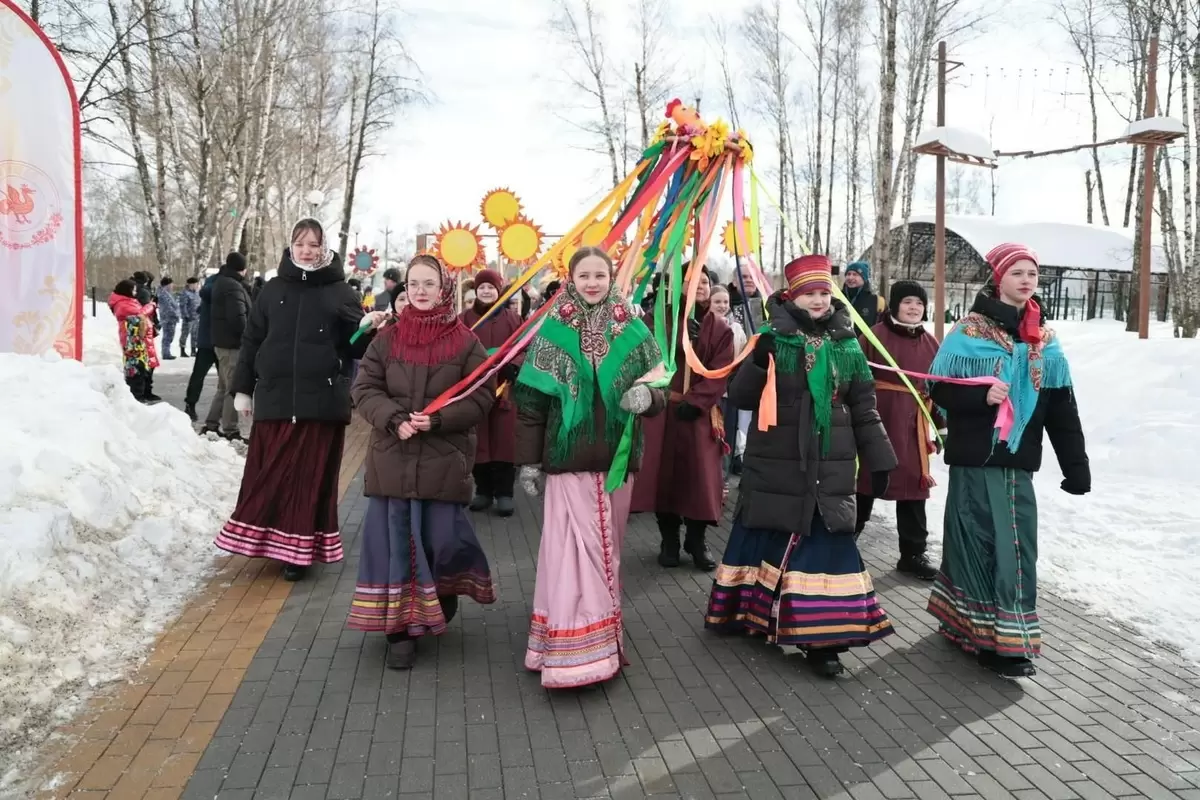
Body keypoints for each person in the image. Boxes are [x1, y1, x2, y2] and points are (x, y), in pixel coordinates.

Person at [705, 254, 898, 678]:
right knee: (769, 537)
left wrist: (881, 459)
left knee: (827, 545)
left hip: (830, 465)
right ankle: (752, 613)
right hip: (777, 463)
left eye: (823, 292)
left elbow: (865, 407)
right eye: (809, 293)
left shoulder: (847, 346)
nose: (817, 299)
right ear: (793, 295)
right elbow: (738, 396)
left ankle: (824, 640)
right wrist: (758, 361)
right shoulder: (771, 340)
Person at [927, 243, 1089, 679]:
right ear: (998, 277)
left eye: (1032, 274)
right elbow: (938, 391)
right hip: (975, 455)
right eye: (1016, 272)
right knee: (977, 540)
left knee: (1014, 545)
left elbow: (1060, 408)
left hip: (1017, 459)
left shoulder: (1045, 341)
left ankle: (1003, 635)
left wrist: (1077, 466)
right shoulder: (969, 331)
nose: (1025, 281)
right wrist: (980, 397)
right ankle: (978, 631)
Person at [515, 246, 666, 689]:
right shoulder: (553, 330)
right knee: (571, 554)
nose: (593, 282)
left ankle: (602, 637)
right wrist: (527, 461)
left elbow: (659, 384)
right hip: (568, 462)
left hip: (617, 463)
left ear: (612, 276)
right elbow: (530, 403)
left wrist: (649, 398)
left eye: (600, 274)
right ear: (571, 279)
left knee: (607, 553)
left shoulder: (633, 329)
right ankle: (576, 649)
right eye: (585, 275)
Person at [215, 219, 386, 581]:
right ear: (291, 246)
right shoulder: (274, 288)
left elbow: (353, 346)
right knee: (270, 473)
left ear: (325, 248)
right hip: (275, 398)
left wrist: (367, 327)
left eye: (314, 244)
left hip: (320, 402)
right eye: (300, 243)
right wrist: (242, 389)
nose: (306, 250)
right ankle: (268, 541)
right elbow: (251, 341)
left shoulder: (339, 291)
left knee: (307, 479)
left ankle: (299, 552)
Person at [349, 254, 497, 670]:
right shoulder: (387, 339)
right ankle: (399, 632)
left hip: (442, 460)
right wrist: (394, 420)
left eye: (428, 284)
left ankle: (440, 598)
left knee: (441, 541)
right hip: (392, 460)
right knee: (396, 547)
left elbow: (483, 394)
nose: (420, 291)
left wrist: (438, 419)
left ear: (444, 288)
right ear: (404, 289)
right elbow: (364, 389)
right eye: (413, 284)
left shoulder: (465, 340)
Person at [632, 264, 733, 571]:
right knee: (667, 478)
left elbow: (721, 371)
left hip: (699, 415)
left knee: (700, 480)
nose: (700, 285)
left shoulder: (720, 328)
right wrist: (673, 337)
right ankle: (670, 540)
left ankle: (697, 540)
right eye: (691, 280)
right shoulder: (657, 320)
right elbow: (640, 355)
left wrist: (698, 400)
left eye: (704, 281)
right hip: (663, 410)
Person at [855, 281, 944, 581]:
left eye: (919, 303)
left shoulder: (931, 343)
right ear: (894, 305)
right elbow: (853, 376)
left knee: (914, 490)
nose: (914, 308)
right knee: (864, 483)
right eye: (907, 302)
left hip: (913, 429)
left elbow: (938, 388)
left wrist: (939, 425)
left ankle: (912, 553)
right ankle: (843, 545)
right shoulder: (872, 337)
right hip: (878, 421)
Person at [461, 269, 524, 516]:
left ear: (499, 290)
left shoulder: (512, 319)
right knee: (480, 441)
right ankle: (483, 491)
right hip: (474, 390)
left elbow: (524, 345)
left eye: (491, 287)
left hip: (505, 391)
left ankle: (505, 493)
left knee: (505, 440)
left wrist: (514, 365)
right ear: (475, 291)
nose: (486, 291)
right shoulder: (464, 319)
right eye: (482, 287)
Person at [208, 252, 253, 441]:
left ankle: (211, 424)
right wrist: (249, 337)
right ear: (242, 268)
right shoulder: (233, 287)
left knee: (223, 386)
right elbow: (238, 319)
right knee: (232, 388)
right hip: (232, 345)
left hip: (222, 343)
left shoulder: (222, 282)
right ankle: (230, 429)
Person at [108, 279, 160, 403]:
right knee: (136, 368)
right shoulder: (122, 304)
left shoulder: (128, 301)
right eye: (134, 290)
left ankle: (146, 392)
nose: (136, 292)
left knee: (146, 366)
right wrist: (151, 305)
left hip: (141, 339)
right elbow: (140, 314)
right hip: (133, 340)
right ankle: (137, 396)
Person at [187, 272, 219, 424]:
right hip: (221, 341)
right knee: (226, 380)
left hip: (205, 341)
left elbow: (199, 310)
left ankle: (190, 404)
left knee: (198, 375)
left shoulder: (206, 294)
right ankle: (225, 409)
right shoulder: (223, 293)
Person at [841, 261, 886, 326]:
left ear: (864, 279)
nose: (850, 277)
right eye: (848, 274)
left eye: (855, 274)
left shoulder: (877, 302)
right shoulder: (836, 298)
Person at [156, 277, 181, 359]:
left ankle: (166, 352)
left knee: (169, 336)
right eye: (171, 284)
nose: (172, 286)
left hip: (170, 318)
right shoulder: (163, 294)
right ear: (167, 285)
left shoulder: (167, 293)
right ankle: (166, 353)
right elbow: (168, 307)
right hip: (168, 318)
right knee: (167, 336)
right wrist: (175, 314)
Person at [179, 276, 201, 357]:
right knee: (185, 334)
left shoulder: (197, 293)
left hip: (197, 317)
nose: (196, 286)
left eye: (197, 284)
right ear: (190, 284)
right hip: (188, 318)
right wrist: (185, 315)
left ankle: (193, 350)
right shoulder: (185, 293)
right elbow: (183, 306)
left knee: (195, 334)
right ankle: (182, 350)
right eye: (195, 284)